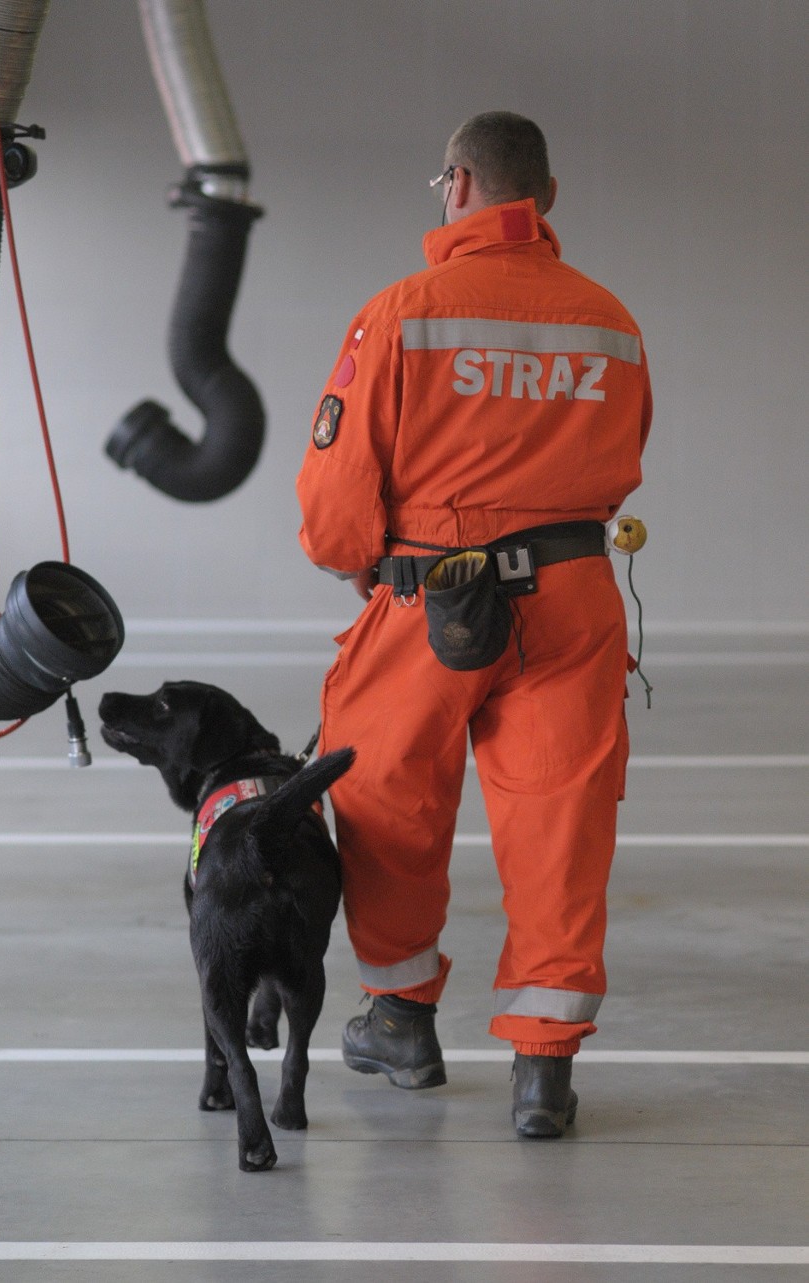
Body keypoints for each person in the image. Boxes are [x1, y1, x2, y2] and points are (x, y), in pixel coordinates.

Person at [295, 112, 652, 1139]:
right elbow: (624, 451)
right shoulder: (610, 320)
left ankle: (402, 1017)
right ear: (546, 195)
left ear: (457, 184)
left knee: (387, 799)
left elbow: (337, 492)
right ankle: (544, 1071)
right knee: (562, 825)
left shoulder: (405, 312)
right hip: (574, 597)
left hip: (426, 592)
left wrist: (362, 562)